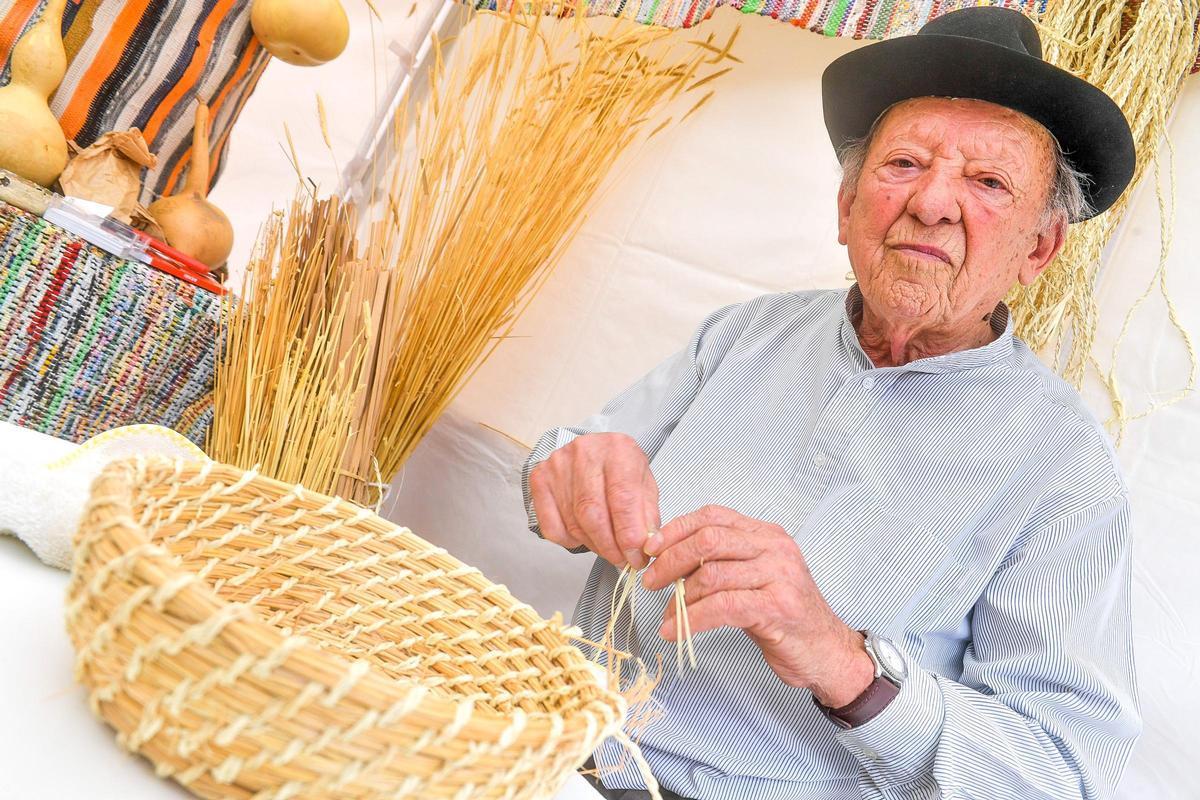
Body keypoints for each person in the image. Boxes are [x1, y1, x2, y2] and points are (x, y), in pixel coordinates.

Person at [521, 8, 1140, 800]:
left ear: (1039, 250)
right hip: (560, 756)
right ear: (847, 207)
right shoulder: (749, 333)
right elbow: (568, 466)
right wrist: (566, 474)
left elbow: (1061, 774)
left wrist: (845, 662)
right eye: (905, 164)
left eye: (987, 183)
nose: (931, 204)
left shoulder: (1064, 471)